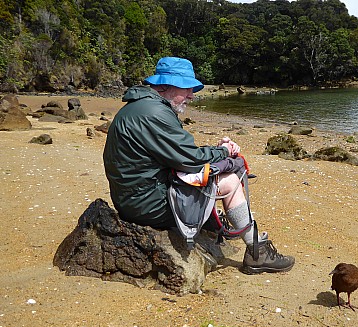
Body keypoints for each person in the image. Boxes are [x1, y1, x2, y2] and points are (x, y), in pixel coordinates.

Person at [103, 57, 294, 274]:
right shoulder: (154, 113)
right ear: (165, 85)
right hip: (146, 205)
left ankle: (218, 226)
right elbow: (190, 158)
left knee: (213, 173)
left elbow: (178, 153)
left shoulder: (141, 107)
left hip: (134, 196)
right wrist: (225, 151)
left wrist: (215, 152)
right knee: (230, 181)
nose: (191, 95)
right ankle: (257, 253)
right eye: (187, 88)